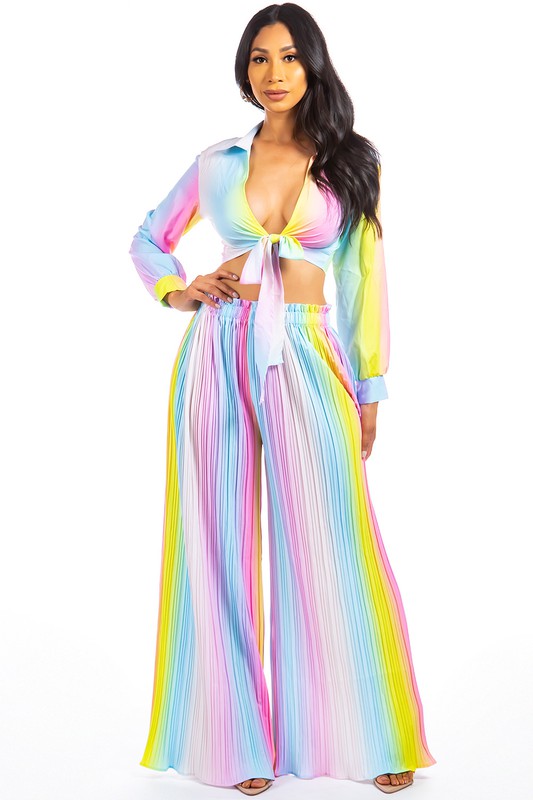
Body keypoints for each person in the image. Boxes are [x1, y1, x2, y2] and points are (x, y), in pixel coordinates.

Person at [129, 3, 437, 796]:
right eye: (259, 58)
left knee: (333, 538)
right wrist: (178, 290)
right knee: (214, 543)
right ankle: (233, 744)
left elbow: (362, 281)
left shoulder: (351, 162)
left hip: (305, 349)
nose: (273, 72)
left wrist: (368, 388)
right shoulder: (216, 161)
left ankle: (374, 734)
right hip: (216, 349)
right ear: (245, 70)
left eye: (290, 57)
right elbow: (148, 237)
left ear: (313, 66)